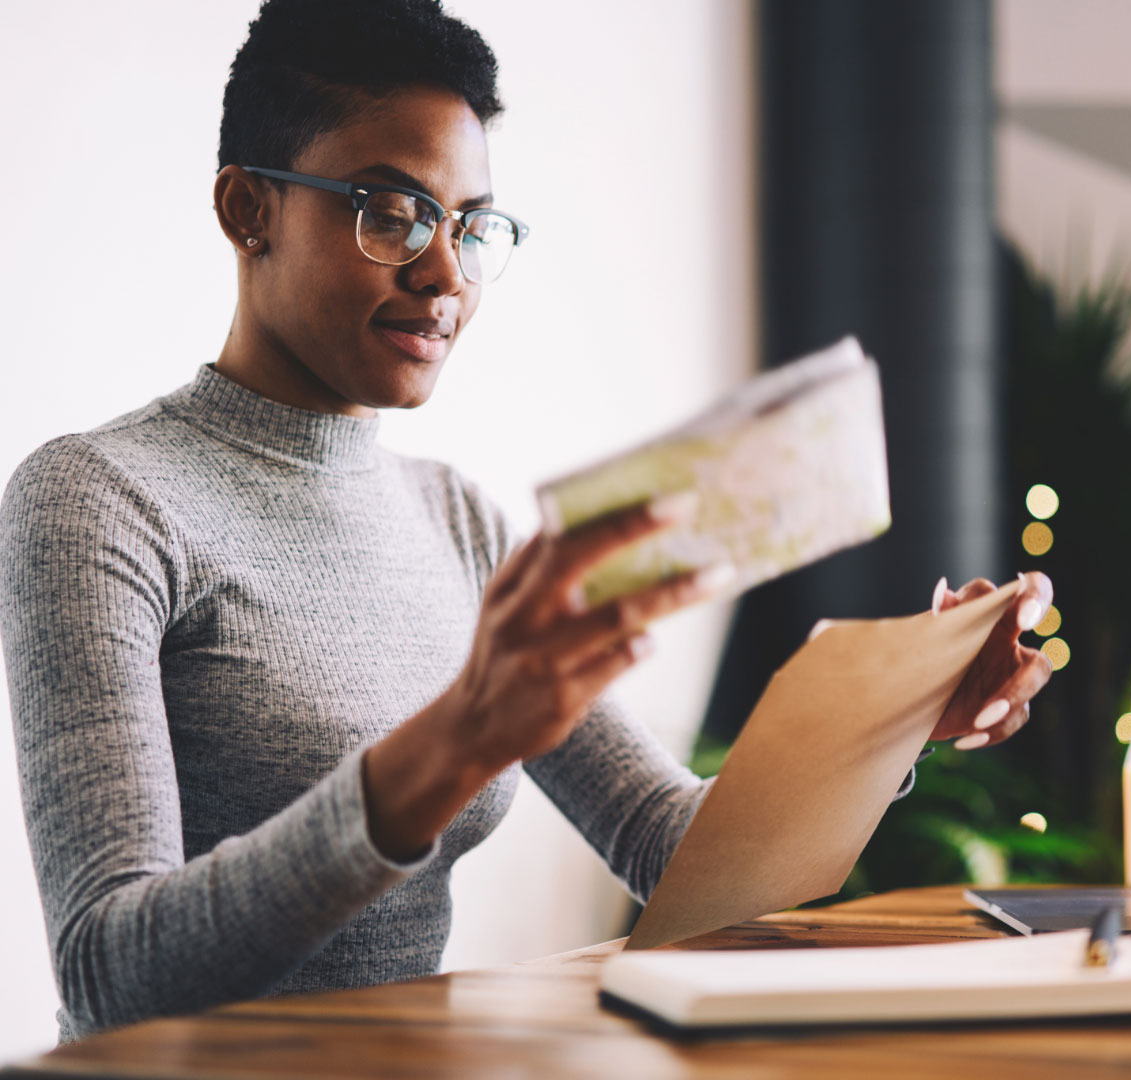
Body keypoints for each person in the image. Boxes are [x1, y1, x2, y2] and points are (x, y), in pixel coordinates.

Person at [0, 0, 1053, 1043]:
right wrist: (457, 740)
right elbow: (110, 973)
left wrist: (899, 714)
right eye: (390, 211)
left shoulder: (455, 518)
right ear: (247, 209)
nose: (445, 273)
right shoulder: (99, 499)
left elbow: (669, 850)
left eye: (468, 224)